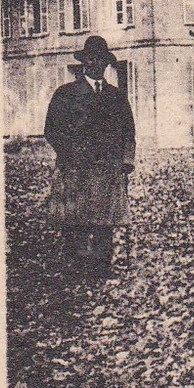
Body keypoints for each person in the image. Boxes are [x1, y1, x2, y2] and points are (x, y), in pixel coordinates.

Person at [43, 35, 135, 279]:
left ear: (106, 63)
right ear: (84, 62)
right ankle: (75, 269)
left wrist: (126, 161)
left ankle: (101, 268)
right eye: (91, 59)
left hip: (107, 169)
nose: (95, 64)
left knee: (104, 220)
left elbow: (129, 132)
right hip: (75, 169)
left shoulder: (117, 96)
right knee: (76, 219)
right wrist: (70, 155)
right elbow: (52, 130)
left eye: (100, 60)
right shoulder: (65, 94)